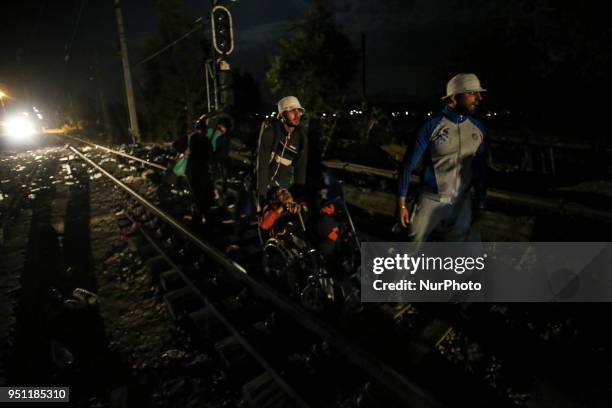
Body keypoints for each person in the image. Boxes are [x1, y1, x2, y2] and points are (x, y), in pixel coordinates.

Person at [397, 73, 488, 242]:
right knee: (411, 247)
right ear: (454, 97)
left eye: (479, 93)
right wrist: (401, 203)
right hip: (431, 198)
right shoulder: (431, 126)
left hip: (462, 202)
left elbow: (480, 168)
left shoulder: (478, 128)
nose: (479, 98)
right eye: (472, 93)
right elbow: (408, 164)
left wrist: (481, 201)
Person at [256, 96, 308, 207]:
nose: (297, 114)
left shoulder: (301, 138)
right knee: (256, 217)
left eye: (299, 111)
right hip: (263, 181)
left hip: (283, 186)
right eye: (292, 111)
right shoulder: (270, 132)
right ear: (282, 115)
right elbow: (262, 165)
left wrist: (299, 198)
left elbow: (300, 169)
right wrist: (261, 199)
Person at [173, 115, 215, 222]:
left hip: (195, 171)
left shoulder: (193, 138)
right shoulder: (202, 139)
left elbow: (175, 145)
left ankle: (201, 215)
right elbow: (210, 156)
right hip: (199, 170)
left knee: (199, 193)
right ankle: (202, 215)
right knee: (203, 193)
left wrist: (184, 151)